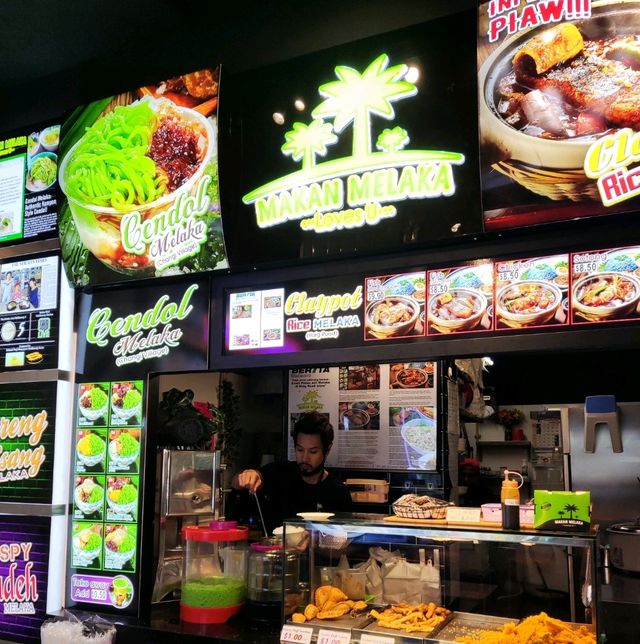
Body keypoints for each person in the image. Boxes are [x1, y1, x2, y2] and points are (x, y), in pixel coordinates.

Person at [232, 411, 352, 534]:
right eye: (300, 449)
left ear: (327, 450)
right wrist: (249, 475)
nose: (305, 458)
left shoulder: (337, 492)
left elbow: (342, 539)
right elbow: (238, 482)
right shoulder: (281, 472)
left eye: (313, 451)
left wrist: (315, 542)